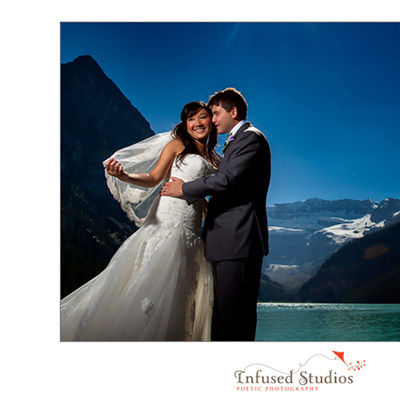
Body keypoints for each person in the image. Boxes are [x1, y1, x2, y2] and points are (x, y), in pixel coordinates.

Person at [60, 101, 220, 341]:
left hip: (192, 230)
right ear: (185, 125)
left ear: (212, 121)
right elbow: (153, 177)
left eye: (203, 117)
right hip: (167, 224)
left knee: (182, 296)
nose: (197, 123)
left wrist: (203, 202)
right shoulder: (176, 146)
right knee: (151, 294)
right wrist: (124, 175)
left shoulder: (214, 158)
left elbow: (206, 188)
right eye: (191, 119)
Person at [162, 88, 270, 341]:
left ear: (234, 112)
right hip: (227, 240)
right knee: (224, 315)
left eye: (216, 113)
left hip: (238, 240)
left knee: (234, 317)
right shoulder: (236, 140)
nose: (212, 119)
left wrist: (184, 189)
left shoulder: (250, 138)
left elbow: (228, 179)